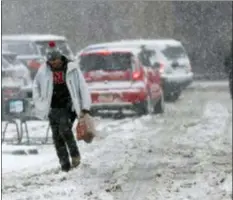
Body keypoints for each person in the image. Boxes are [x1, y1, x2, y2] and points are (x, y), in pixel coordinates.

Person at [33, 41, 92, 172]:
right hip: (52, 107)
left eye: (55, 60)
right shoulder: (43, 70)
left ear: (60, 57)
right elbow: (36, 86)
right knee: (56, 137)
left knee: (65, 129)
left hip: (68, 104)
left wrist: (85, 106)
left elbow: (82, 87)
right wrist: (39, 101)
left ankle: (75, 155)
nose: (54, 63)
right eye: (51, 61)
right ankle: (64, 165)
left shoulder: (71, 68)